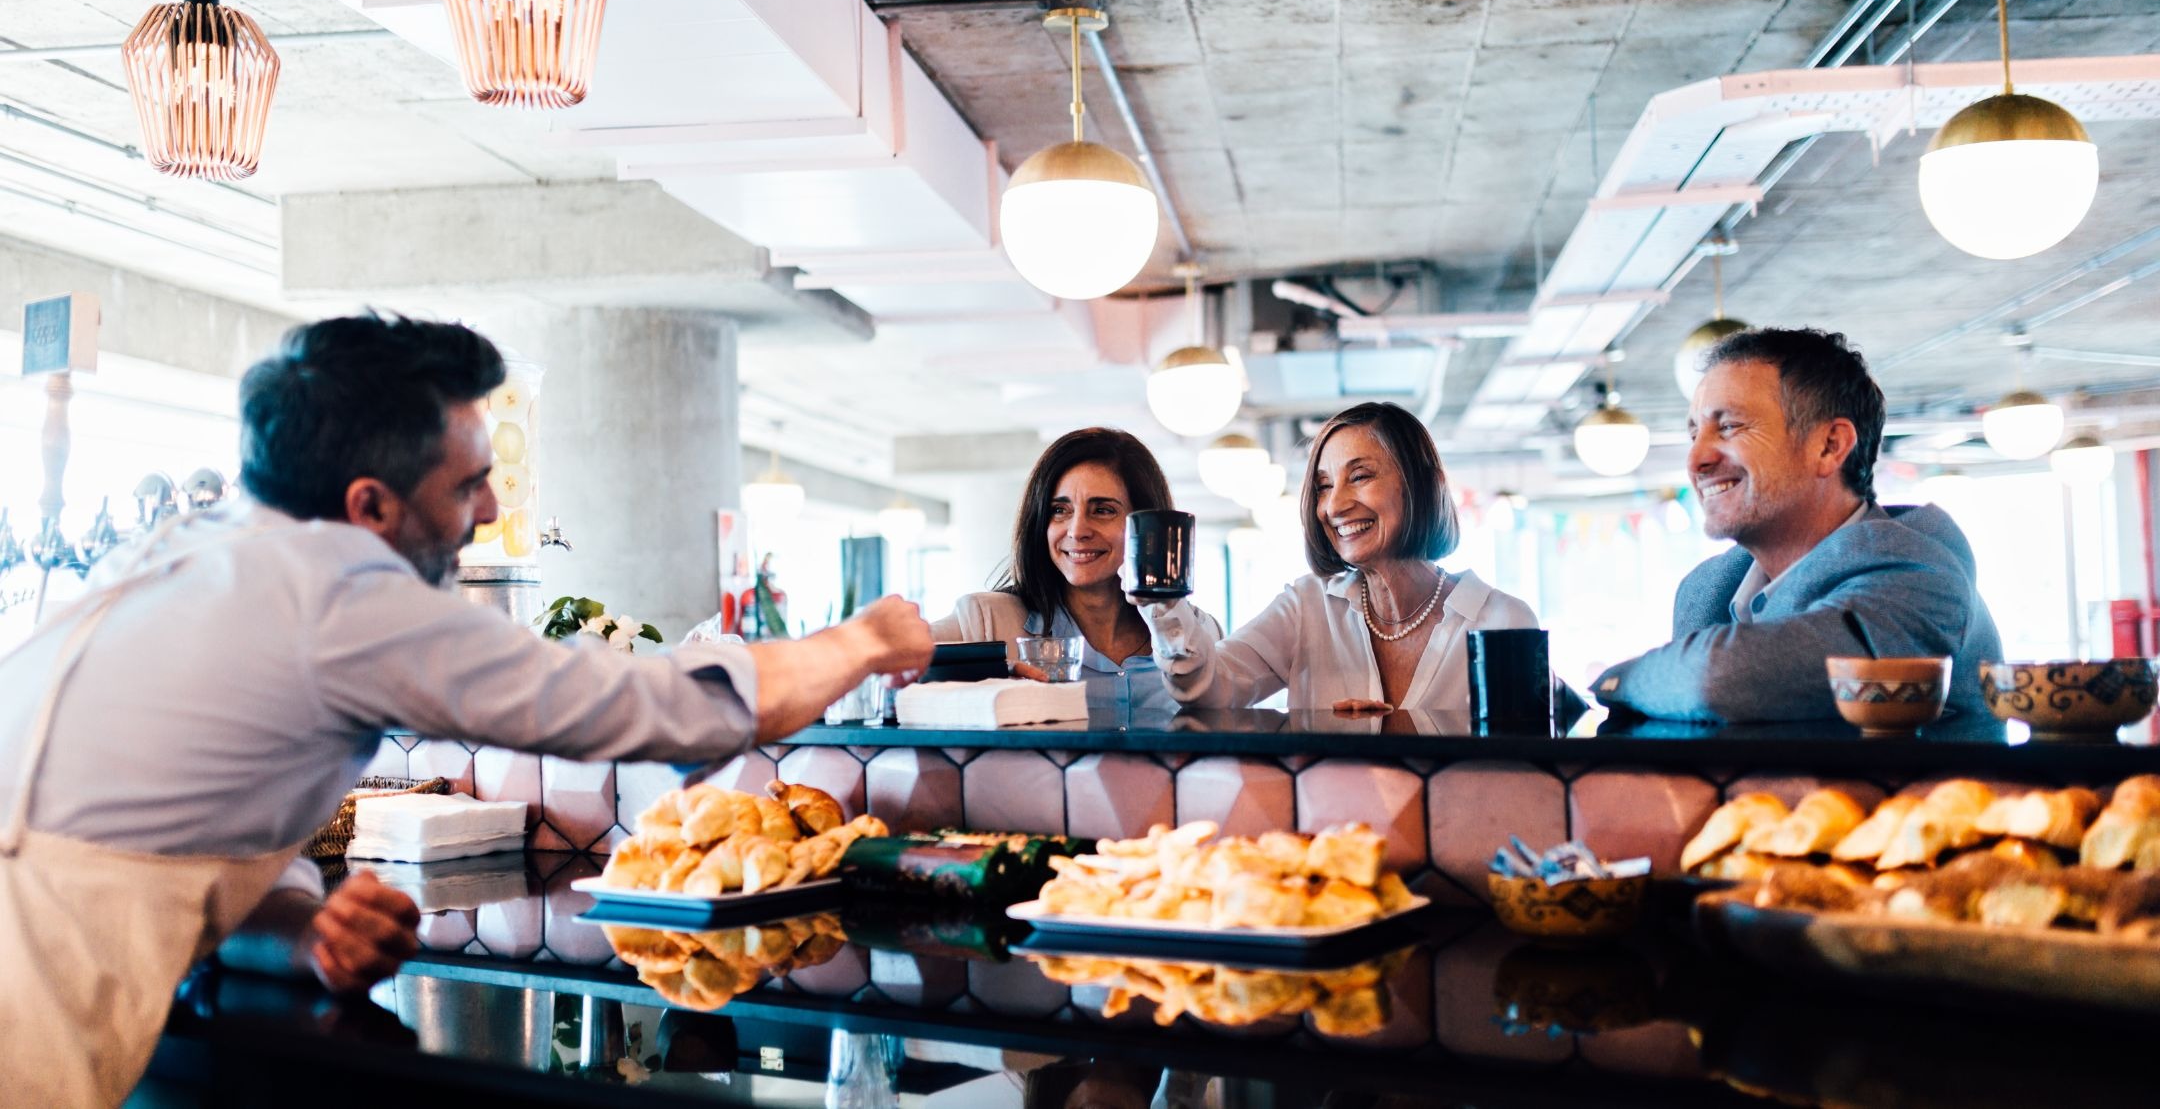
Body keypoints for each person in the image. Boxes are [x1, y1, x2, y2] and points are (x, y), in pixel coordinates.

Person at [0, 314, 934, 1106]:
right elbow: (631, 708)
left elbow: (183, 807)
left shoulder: (196, 550)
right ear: (370, 505)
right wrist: (857, 644)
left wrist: (297, 925)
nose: (489, 508)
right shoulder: (343, 591)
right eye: (465, 484)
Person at [1593, 327, 2003, 722]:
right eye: (1695, 433)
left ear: (1829, 446)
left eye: (1730, 426)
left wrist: (1614, 682)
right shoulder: (1705, 591)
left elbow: (1719, 678)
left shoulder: (1921, 576)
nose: (1696, 460)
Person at [1135, 401, 1536, 712]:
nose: (1335, 506)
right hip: (1332, 821)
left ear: (1422, 484)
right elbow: (1208, 691)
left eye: (1360, 477)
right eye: (1324, 486)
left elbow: (1526, 765)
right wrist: (1164, 606)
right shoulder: (1306, 607)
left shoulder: (1504, 621)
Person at [931, 428, 1220, 720]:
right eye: (1059, 510)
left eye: (1103, 510)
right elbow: (896, 665)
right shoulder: (984, 621)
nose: (1077, 530)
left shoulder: (1200, 632)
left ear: (1146, 524)